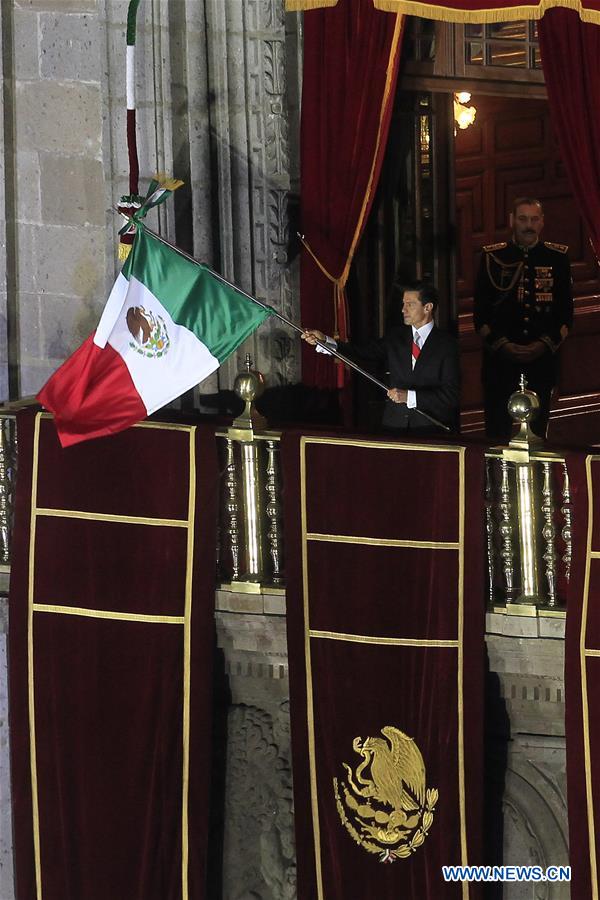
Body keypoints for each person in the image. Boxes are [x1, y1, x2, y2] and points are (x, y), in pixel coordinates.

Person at [473, 197, 573, 441]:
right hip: (501, 362)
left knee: (538, 432)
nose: (528, 225)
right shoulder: (492, 258)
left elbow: (565, 315)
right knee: (496, 433)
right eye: (523, 219)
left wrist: (542, 345)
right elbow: (481, 315)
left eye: (534, 219)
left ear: (542, 223)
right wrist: (504, 345)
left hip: (541, 361)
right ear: (511, 221)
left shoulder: (557, 258)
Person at [301, 283, 460, 434]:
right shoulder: (396, 337)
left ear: (428, 307)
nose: (403, 309)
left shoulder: (447, 344)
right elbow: (362, 353)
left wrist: (410, 397)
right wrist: (326, 341)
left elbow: (451, 396)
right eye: (403, 304)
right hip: (393, 427)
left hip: (431, 429)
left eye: (410, 304)